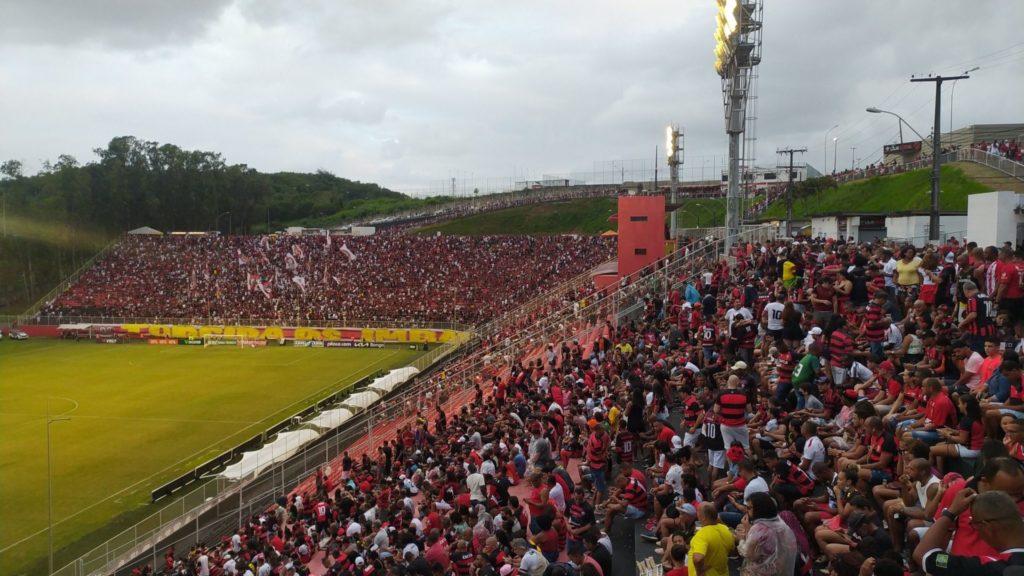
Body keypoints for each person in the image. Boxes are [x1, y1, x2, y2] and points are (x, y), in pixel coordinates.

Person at [914, 490, 1024, 576]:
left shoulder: (982, 567)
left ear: (987, 526)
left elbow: (924, 554)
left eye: (974, 524)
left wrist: (950, 513)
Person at [735, 492, 799, 576]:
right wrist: (748, 530)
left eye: (748, 508)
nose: (746, 510)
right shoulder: (778, 521)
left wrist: (741, 540)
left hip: (767, 570)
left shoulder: (759, 530)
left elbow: (748, 554)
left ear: (759, 509)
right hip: (782, 566)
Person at [688, 503, 736, 576]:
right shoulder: (726, 529)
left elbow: (698, 559)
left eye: (698, 511)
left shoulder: (701, 534)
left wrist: (699, 572)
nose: (697, 514)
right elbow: (732, 550)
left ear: (703, 517)